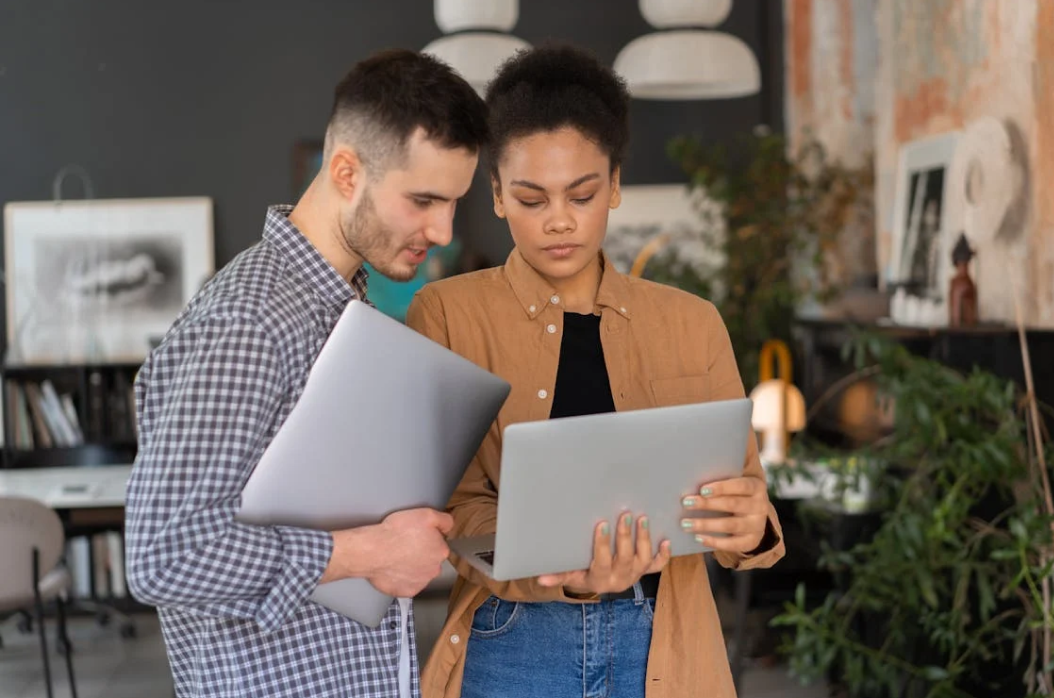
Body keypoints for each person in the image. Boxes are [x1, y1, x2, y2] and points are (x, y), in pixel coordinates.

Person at [405, 44, 785, 698]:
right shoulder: (445, 315)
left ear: (613, 184)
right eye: (529, 198)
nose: (558, 220)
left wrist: (751, 527)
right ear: (495, 194)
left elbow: (741, 499)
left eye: (581, 194)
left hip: (665, 636)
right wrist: (570, 574)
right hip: (515, 636)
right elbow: (447, 511)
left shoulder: (691, 324)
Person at [124, 49, 488, 698]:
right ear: (345, 170)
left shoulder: (347, 305)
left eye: (453, 204)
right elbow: (165, 553)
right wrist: (371, 552)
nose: (442, 230)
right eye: (423, 200)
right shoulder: (250, 320)